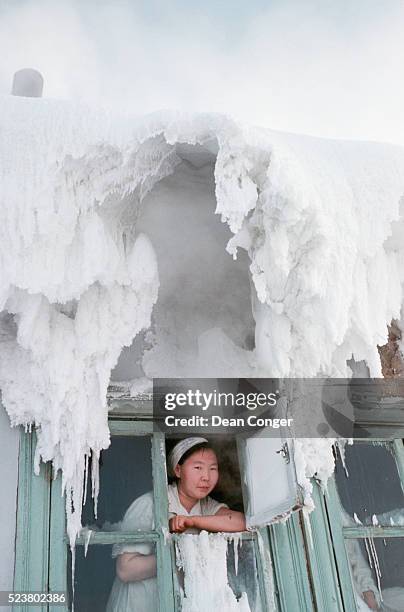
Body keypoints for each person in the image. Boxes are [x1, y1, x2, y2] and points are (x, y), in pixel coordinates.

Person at [106, 437, 246, 612]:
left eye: (213, 469)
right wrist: (182, 555)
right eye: (198, 468)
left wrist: (192, 521)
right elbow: (125, 570)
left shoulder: (207, 506)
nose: (206, 477)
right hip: (139, 604)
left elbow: (242, 521)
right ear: (178, 470)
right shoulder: (150, 503)